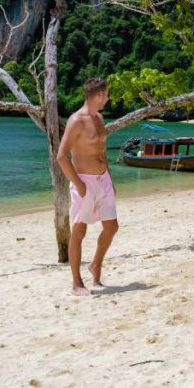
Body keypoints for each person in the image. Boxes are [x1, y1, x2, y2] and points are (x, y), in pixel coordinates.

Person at [57, 76, 118, 295]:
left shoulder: (99, 118)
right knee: (79, 231)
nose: (108, 98)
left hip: (104, 181)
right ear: (99, 94)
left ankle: (96, 264)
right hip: (85, 182)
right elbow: (61, 156)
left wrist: (110, 177)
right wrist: (78, 185)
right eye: (106, 94)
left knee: (112, 227)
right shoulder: (77, 120)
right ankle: (76, 283)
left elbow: (102, 151)